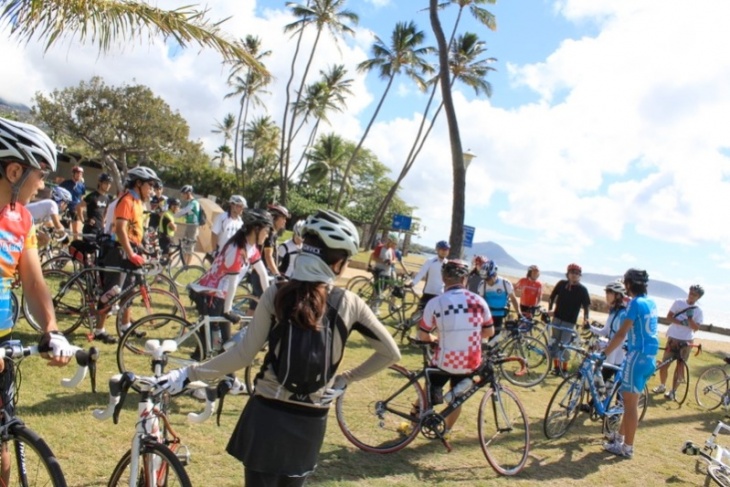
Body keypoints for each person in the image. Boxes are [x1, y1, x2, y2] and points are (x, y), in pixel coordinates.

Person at [156, 209, 401, 486]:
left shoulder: (277, 293)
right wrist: (346, 379)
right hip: (312, 418)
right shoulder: (350, 302)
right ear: (339, 262)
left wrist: (190, 373)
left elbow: (243, 354)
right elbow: (390, 353)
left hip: (267, 414)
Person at [0, 117, 78, 392]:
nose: (42, 186)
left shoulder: (21, 219)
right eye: (40, 175)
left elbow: (33, 283)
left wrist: (51, 329)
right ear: (13, 172)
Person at [417, 259, 494, 435]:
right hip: (469, 362)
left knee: (426, 389)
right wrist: (470, 335)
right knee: (456, 399)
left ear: (444, 279)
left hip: (444, 360)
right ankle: (446, 430)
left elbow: (423, 335)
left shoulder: (435, 303)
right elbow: (489, 332)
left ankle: (416, 416)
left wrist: (436, 338)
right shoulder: (479, 301)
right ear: (465, 279)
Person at [188, 209, 272, 358]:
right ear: (256, 229)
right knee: (221, 345)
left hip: (220, 295)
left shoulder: (250, 247)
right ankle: (224, 378)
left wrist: (269, 300)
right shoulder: (236, 249)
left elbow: (263, 274)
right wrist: (227, 312)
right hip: (211, 294)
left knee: (216, 346)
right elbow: (232, 284)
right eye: (266, 230)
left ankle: (216, 374)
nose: (268, 234)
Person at [95, 166, 162, 344]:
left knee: (129, 291)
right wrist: (131, 253)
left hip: (131, 249)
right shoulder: (127, 200)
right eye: (150, 185)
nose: (152, 190)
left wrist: (142, 249)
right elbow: (120, 229)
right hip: (119, 250)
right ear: (138, 183)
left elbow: (135, 231)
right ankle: (99, 330)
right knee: (112, 291)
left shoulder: (139, 202)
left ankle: (125, 326)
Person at [601, 268, 658, 459]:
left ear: (628, 285)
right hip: (649, 358)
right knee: (629, 403)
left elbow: (621, 333)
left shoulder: (635, 303)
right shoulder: (651, 302)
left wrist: (605, 353)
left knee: (631, 405)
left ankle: (627, 447)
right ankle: (619, 439)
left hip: (636, 357)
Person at [652, 284, 705, 400]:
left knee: (680, 366)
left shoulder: (699, 311)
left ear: (698, 297)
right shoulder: (678, 302)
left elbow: (696, 328)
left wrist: (690, 319)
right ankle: (662, 385)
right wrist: (682, 323)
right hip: (673, 337)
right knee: (665, 364)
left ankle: (673, 391)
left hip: (686, 341)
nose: (691, 296)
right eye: (690, 293)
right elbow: (669, 317)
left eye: (694, 295)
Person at [548, 263, 591, 373]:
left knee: (565, 345)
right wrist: (550, 309)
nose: (574, 275)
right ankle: (556, 368)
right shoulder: (561, 284)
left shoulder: (582, 290)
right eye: (572, 272)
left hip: (569, 322)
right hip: (557, 318)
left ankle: (565, 369)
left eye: (577, 273)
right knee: (555, 342)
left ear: (579, 275)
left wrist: (586, 319)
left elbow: (586, 306)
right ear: (568, 274)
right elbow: (552, 296)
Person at [589, 281, 629, 382]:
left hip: (618, 356)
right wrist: (589, 327)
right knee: (600, 386)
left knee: (617, 390)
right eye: (606, 292)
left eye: (609, 292)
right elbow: (605, 332)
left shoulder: (623, 314)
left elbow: (623, 337)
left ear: (618, 295)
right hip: (610, 354)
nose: (606, 295)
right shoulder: (613, 312)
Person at [477, 259, 520, 334]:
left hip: (500, 314)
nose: (486, 281)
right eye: (485, 279)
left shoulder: (505, 283)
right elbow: (479, 301)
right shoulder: (482, 284)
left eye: (488, 279)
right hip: (488, 314)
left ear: (494, 274)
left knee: (495, 337)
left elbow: (513, 299)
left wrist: (519, 313)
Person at [409, 240, 450, 310]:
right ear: (437, 250)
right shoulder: (430, 261)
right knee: (419, 312)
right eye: (442, 249)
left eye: (446, 250)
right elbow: (421, 273)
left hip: (440, 294)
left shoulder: (448, 263)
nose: (444, 251)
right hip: (428, 292)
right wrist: (413, 283)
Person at [76, 172, 112, 238]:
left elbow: (106, 211)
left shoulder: (107, 198)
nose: (108, 185)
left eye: (109, 184)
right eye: (106, 183)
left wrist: (103, 223)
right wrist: (84, 220)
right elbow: (79, 207)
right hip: (90, 229)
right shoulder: (92, 196)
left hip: (100, 230)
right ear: (100, 183)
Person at [174, 185, 202, 265]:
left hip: (193, 227)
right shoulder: (190, 202)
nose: (182, 196)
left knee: (190, 247)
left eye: (184, 194)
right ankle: (184, 265)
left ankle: (187, 266)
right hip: (189, 226)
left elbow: (184, 211)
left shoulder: (194, 203)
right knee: (186, 246)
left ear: (189, 193)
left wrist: (173, 215)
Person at [59, 165, 86, 237]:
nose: (79, 175)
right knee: (64, 230)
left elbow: (82, 198)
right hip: (66, 208)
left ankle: (75, 246)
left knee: (76, 231)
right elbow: (58, 193)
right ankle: (63, 245)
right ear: (73, 174)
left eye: (81, 174)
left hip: (75, 209)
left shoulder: (82, 186)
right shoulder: (65, 183)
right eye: (77, 173)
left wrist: (81, 210)